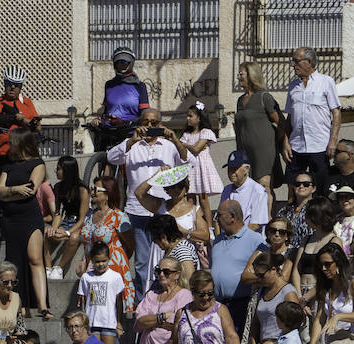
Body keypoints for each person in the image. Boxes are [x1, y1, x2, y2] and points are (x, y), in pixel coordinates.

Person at [106, 109, 189, 299]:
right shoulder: (132, 145)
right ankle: (143, 302)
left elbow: (187, 160)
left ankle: (168, 298)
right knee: (142, 262)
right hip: (137, 209)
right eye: (146, 123)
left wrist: (175, 139)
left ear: (160, 124)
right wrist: (132, 140)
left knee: (167, 257)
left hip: (164, 209)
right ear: (139, 124)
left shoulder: (169, 145)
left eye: (154, 123)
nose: (150, 127)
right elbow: (111, 157)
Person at [75, 241, 127, 344]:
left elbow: (119, 301)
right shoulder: (86, 277)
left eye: (104, 261)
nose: (100, 264)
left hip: (109, 324)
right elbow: (83, 302)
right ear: (91, 261)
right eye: (97, 261)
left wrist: (118, 322)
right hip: (92, 324)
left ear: (109, 259)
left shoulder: (115, 277)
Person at [79, 175, 136, 320]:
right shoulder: (88, 216)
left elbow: (130, 245)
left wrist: (117, 262)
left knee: (111, 314)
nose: (92, 192)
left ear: (107, 193)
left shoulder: (119, 217)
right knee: (93, 313)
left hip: (113, 269)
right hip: (92, 269)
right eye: (92, 189)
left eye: (96, 189)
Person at [282, 47, 341, 185]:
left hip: (319, 145)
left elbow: (336, 112)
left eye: (296, 61)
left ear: (308, 62)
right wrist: (285, 142)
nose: (292, 65)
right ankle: (293, 207)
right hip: (296, 145)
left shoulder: (326, 82)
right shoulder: (293, 86)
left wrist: (333, 140)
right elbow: (290, 117)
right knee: (293, 184)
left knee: (320, 185)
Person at [0, 66, 39, 188]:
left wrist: (21, 119)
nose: (12, 87)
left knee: (22, 192)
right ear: (5, 84)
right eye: (9, 83)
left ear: (21, 86)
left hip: (23, 157)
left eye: (16, 84)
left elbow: (37, 128)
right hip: (2, 156)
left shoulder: (27, 103)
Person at [209, 200, 266, 330]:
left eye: (219, 215)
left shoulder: (254, 240)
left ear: (233, 216)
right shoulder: (218, 240)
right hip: (217, 304)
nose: (216, 219)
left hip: (240, 305)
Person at [234, 61, 284, 195]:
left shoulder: (264, 97)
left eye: (241, 74)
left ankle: (268, 216)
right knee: (249, 187)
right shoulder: (240, 100)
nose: (238, 77)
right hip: (245, 151)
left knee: (263, 185)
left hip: (264, 149)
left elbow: (280, 122)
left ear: (251, 75)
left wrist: (281, 143)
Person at [92, 47, 149, 147]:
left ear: (131, 63)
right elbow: (106, 111)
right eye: (118, 62)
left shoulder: (140, 86)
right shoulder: (109, 85)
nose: (121, 65)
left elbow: (145, 114)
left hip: (130, 133)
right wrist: (99, 120)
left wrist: (124, 122)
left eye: (125, 62)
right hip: (110, 133)